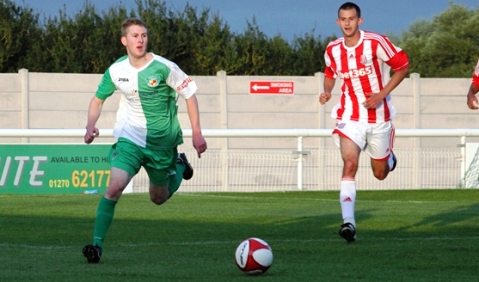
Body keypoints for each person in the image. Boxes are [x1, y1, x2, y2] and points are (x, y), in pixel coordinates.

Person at [82, 18, 207, 263]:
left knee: (158, 198)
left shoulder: (164, 67)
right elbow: (97, 100)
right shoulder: (116, 70)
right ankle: (96, 246)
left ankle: (180, 165)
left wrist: (197, 132)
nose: (140, 40)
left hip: (162, 143)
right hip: (130, 139)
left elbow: (190, 95)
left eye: (144, 35)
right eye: (135, 36)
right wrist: (90, 124)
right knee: (114, 188)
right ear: (124, 41)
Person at [319, 2, 409, 243]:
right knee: (349, 164)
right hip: (350, 116)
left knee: (380, 174)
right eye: (343, 19)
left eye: (351, 18)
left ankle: (389, 158)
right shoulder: (333, 49)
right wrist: (327, 91)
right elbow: (329, 73)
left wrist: (381, 94)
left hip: (379, 118)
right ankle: (349, 223)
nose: (347, 23)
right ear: (338, 22)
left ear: (360, 20)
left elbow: (402, 66)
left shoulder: (376, 42)